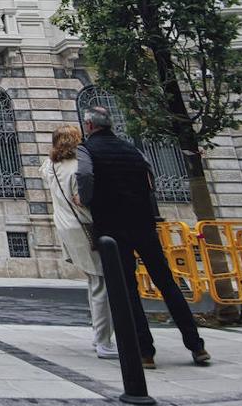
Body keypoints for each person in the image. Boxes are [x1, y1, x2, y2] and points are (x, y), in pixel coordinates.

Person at [76, 106, 211, 369]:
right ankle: (196, 345)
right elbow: (150, 178)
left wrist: (87, 198)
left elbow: (84, 174)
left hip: (112, 228)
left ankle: (145, 351)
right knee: (168, 284)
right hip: (143, 224)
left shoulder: (87, 149)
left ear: (89, 126)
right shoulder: (131, 148)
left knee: (127, 289)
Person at [39, 125, 117, 359]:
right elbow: (85, 199)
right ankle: (103, 340)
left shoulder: (49, 166)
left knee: (95, 281)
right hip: (86, 228)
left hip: (65, 228)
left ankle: (100, 335)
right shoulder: (79, 168)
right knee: (102, 283)